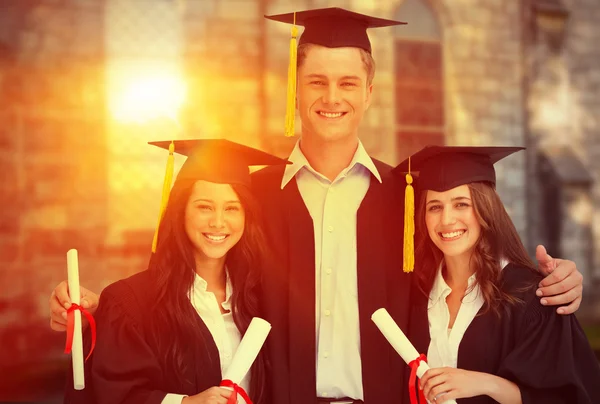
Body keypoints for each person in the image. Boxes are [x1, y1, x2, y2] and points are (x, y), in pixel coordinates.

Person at [52, 7, 585, 404]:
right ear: (297, 88)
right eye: (317, 81)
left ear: (370, 90)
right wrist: (107, 308)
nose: (333, 97)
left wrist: (555, 286)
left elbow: (466, 269)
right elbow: (197, 277)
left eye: (349, 82)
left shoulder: (408, 198)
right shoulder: (250, 201)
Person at [64, 139, 289, 404]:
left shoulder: (258, 298)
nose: (218, 221)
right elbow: (112, 394)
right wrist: (184, 403)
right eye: (204, 206)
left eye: (232, 208)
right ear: (180, 211)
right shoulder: (131, 304)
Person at [394, 146, 600, 403]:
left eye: (461, 204)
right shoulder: (416, 292)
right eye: (434, 207)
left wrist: (486, 383)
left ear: (485, 209)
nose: (446, 220)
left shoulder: (532, 297)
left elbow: (566, 395)